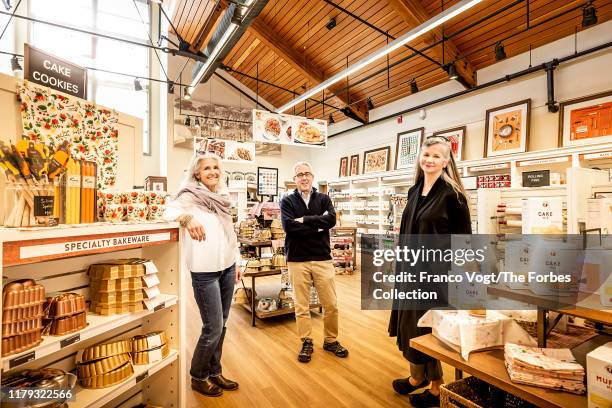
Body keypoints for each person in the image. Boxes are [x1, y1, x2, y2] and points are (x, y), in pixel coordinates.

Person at [388, 136, 471, 407]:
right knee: (408, 326)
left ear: (446, 161)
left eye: (436, 156)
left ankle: (436, 388)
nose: (429, 160)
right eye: (426, 155)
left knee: (429, 330)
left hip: (436, 276)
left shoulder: (452, 195)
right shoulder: (414, 191)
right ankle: (416, 378)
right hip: (409, 270)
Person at [164, 153, 240, 397]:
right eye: (207, 168)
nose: (212, 172)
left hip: (227, 266)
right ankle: (198, 376)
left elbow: (231, 234)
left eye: (216, 168)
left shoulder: (222, 196)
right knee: (213, 326)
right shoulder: (188, 196)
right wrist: (187, 219)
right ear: (197, 173)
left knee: (223, 323)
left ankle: (214, 371)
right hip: (204, 271)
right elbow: (167, 211)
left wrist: (236, 262)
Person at [280, 161, 349, 363]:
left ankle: (330, 340)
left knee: (331, 304)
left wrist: (305, 221)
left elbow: (331, 221)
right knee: (301, 306)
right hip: (297, 260)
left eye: (307, 173)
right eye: (299, 174)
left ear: (312, 176)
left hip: (322, 259)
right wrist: (318, 224)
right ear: (294, 180)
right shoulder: (287, 201)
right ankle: (306, 341)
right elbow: (289, 227)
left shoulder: (324, 198)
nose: (304, 177)